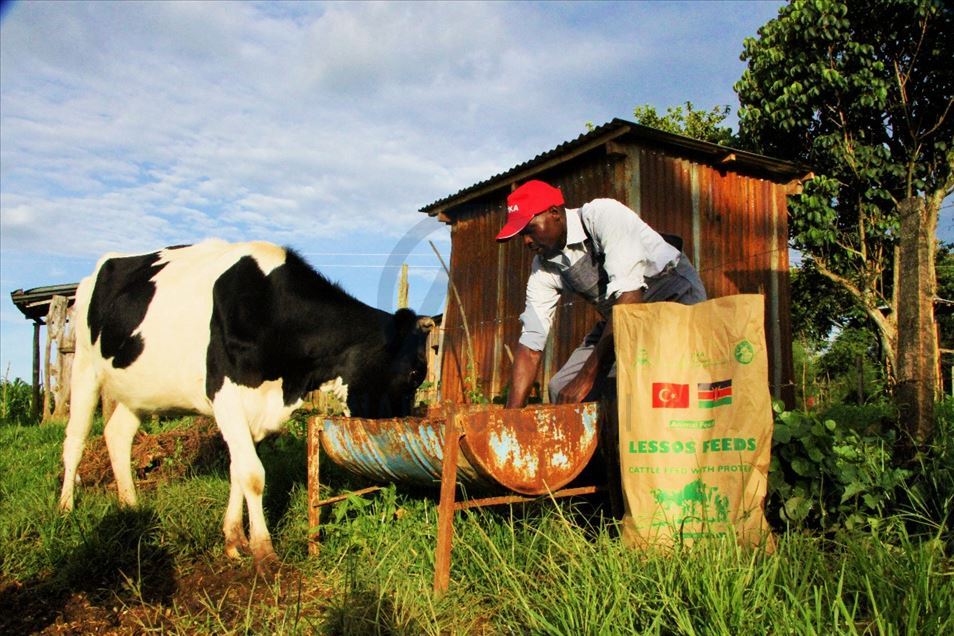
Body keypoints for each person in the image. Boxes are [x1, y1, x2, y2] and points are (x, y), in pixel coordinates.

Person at [497, 180, 707, 408]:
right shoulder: (544, 266)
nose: (526, 241)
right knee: (561, 388)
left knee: (651, 380)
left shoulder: (603, 215)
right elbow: (530, 346)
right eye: (521, 236)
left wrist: (586, 379)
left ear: (554, 213)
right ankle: (604, 443)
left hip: (671, 298)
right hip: (619, 320)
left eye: (530, 230)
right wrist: (510, 419)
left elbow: (630, 300)